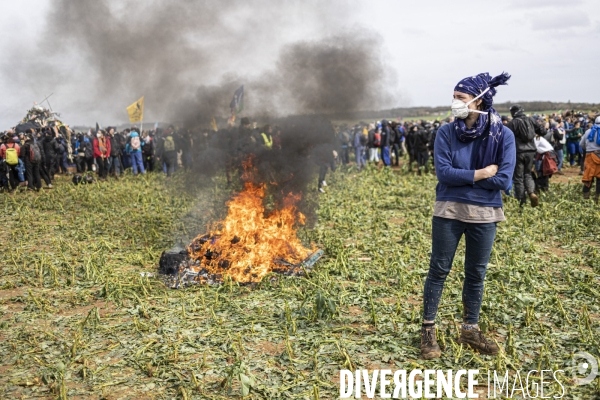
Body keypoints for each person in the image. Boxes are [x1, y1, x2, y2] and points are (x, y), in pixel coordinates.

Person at [421, 72, 515, 360]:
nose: (454, 103)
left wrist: (464, 178)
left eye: (460, 98)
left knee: (476, 273)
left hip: (485, 214)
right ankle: (427, 331)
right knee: (439, 270)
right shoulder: (446, 133)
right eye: (454, 97)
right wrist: (481, 173)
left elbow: (504, 180)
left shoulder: (504, 135)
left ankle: (469, 329)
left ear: (478, 100)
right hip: (449, 210)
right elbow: (443, 173)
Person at [507, 104, 542, 207]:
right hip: (531, 151)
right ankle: (531, 192)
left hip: (518, 152)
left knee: (518, 178)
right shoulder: (531, 120)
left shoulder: (512, 123)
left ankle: (521, 203)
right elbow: (543, 130)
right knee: (527, 174)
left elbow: (505, 136)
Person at [580, 116, 600, 203]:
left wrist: (588, 149)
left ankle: (586, 197)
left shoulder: (588, 131)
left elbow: (581, 144)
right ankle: (597, 198)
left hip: (589, 156)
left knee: (588, 176)